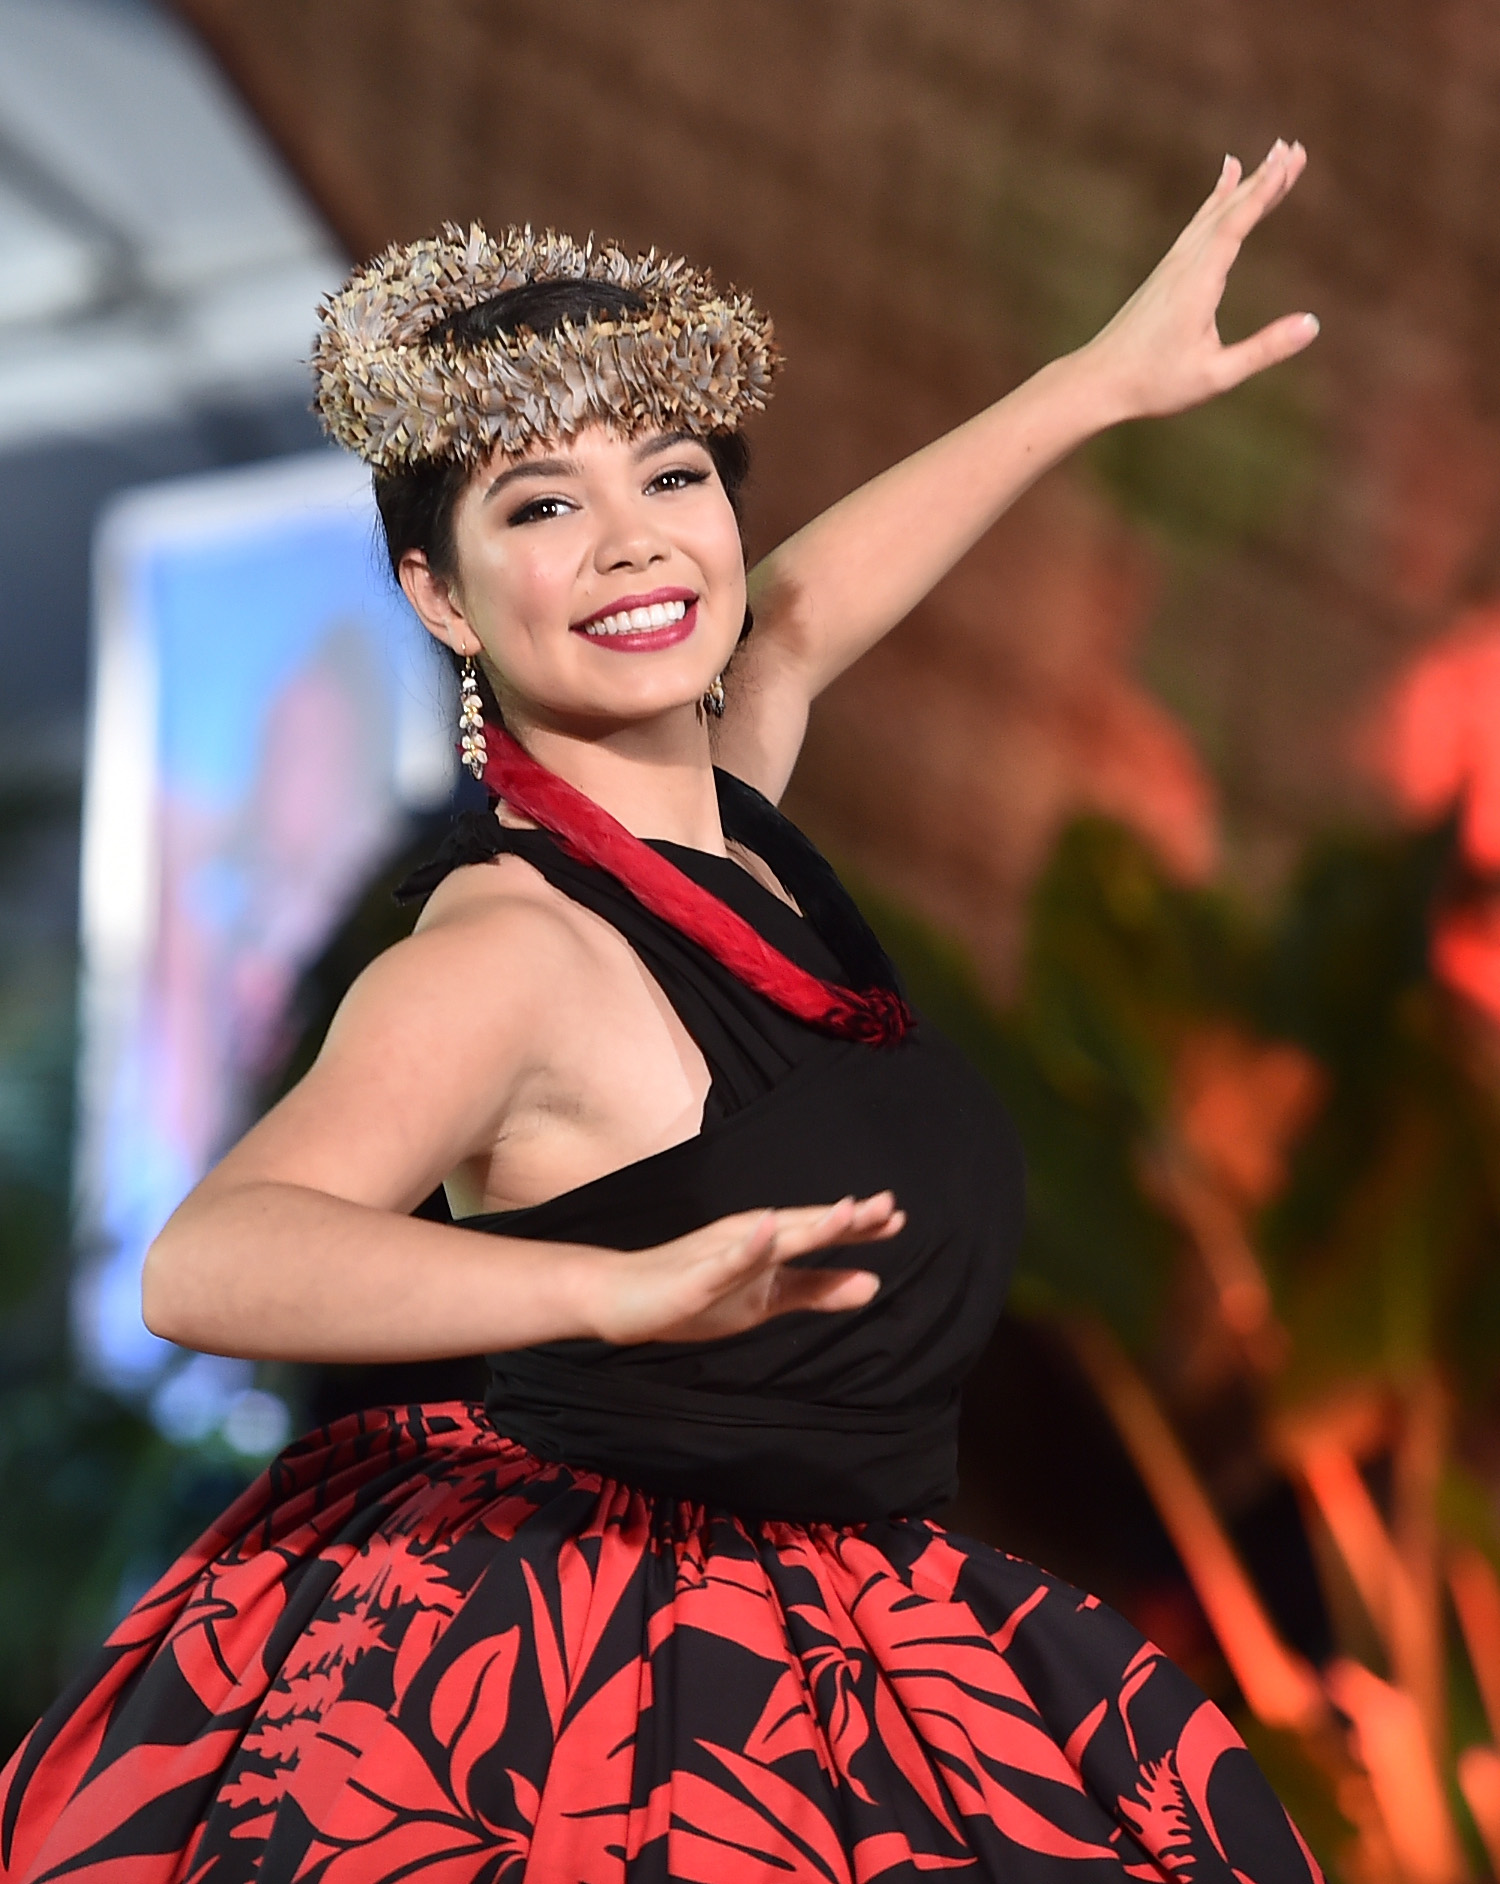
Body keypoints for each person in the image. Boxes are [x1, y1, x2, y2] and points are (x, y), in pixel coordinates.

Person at [1, 145, 1324, 1881]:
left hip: (863, 1624)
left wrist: (1093, 385)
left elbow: (801, 619)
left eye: (674, 475)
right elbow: (209, 1262)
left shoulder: (732, 837)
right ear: (440, 594)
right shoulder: (510, 949)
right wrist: (612, 1291)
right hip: (624, 1683)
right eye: (541, 504)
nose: (633, 539)